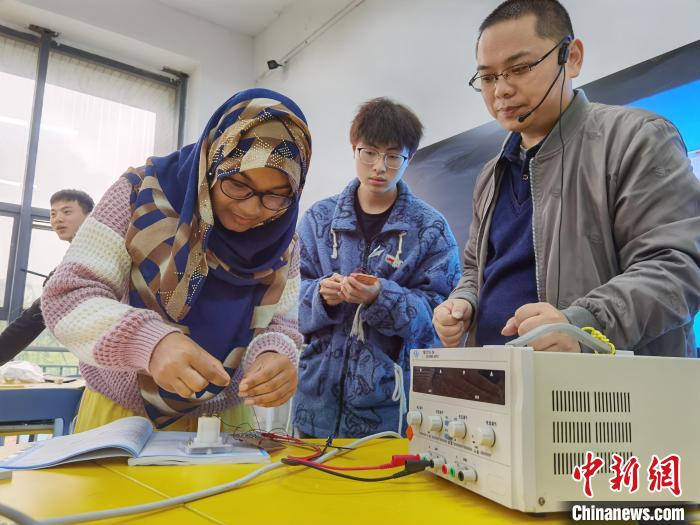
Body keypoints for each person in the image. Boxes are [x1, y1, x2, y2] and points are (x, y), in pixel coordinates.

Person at [433, 0, 700, 356]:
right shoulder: (491, 174)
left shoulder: (637, 138)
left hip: (604, 396)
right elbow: (474, 268)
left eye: (521, 67)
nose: (501, 90)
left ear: (571, 57)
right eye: (487, 77)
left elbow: (678, 266)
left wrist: (581, 325)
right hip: (499, 387)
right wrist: (463, 301)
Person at [41, 88, 312, 431]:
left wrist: (275, 353)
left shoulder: (284, 240)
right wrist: (151, 344)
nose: (251, 209)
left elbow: (281, 324)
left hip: (226, 425)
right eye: (237, 184)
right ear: (212, 163)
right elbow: (67, 297)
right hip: (121, 420)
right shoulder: (140, 194)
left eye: (276, 196)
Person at [293, 97, 460, 438]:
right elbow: (286, 299)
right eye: (368, 152)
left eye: (393, 156)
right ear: (353, 148)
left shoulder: (430, 228)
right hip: (314, 404)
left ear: (407, 157)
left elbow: (442, 320)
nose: (379, 167)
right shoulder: (318, 220)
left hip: (390, 411)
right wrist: (321, 295)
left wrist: (382, 298)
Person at [0, 190, 94, 365]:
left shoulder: (94, 256)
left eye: (67, 212)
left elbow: (32, 319)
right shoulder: (73, 260)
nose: (57, 219)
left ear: (91, 216)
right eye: (53, 214)